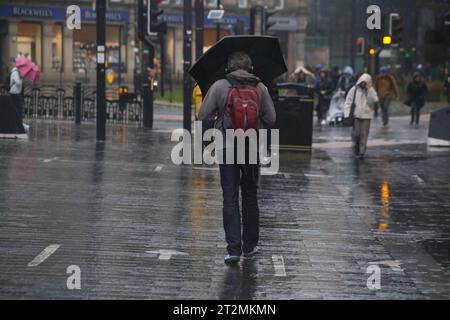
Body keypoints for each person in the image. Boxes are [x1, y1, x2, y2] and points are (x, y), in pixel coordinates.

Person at [198, 51, 276, 264]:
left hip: (227, 146)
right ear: (250, 68)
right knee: (250, 194)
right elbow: (271, 117)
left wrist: (220, 116)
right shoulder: (260, 88)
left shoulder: (219, 86)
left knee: (230, 196)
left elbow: (203, 114)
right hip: (251, 146)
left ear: (228, 68)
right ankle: (250, 245)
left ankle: (233, 250)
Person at [344, 73, 379, 158]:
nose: (363, 84)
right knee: (356, 134)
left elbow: (375, 100)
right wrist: (346, 113)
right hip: (357, 115)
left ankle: (362, 152)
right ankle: (357, 146)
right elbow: (348, 101)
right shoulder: (354, 89)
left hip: (367, 115)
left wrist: (370, 90)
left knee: (364, 134)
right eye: (362, 82)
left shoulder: (371, 90)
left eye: (365, 82)